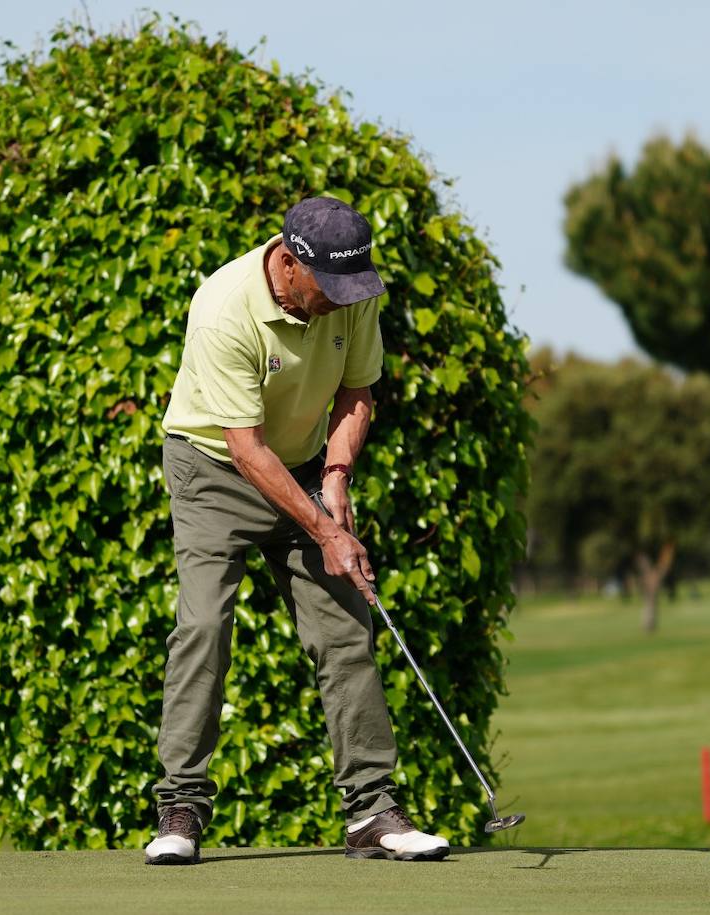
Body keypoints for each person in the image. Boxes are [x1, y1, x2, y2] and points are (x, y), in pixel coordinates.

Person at [145, 197, 449, 865]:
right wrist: (326, 529)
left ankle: (371, 810)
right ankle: (181, 806)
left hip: (306, 462)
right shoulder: (224, 307)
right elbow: (247, 449)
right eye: (329, 290)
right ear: (288, 263)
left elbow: (357, 391)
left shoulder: (353, 291)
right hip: (213, 467)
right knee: (204, 625)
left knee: (345, 627)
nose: (342, 303)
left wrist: (336, 474)